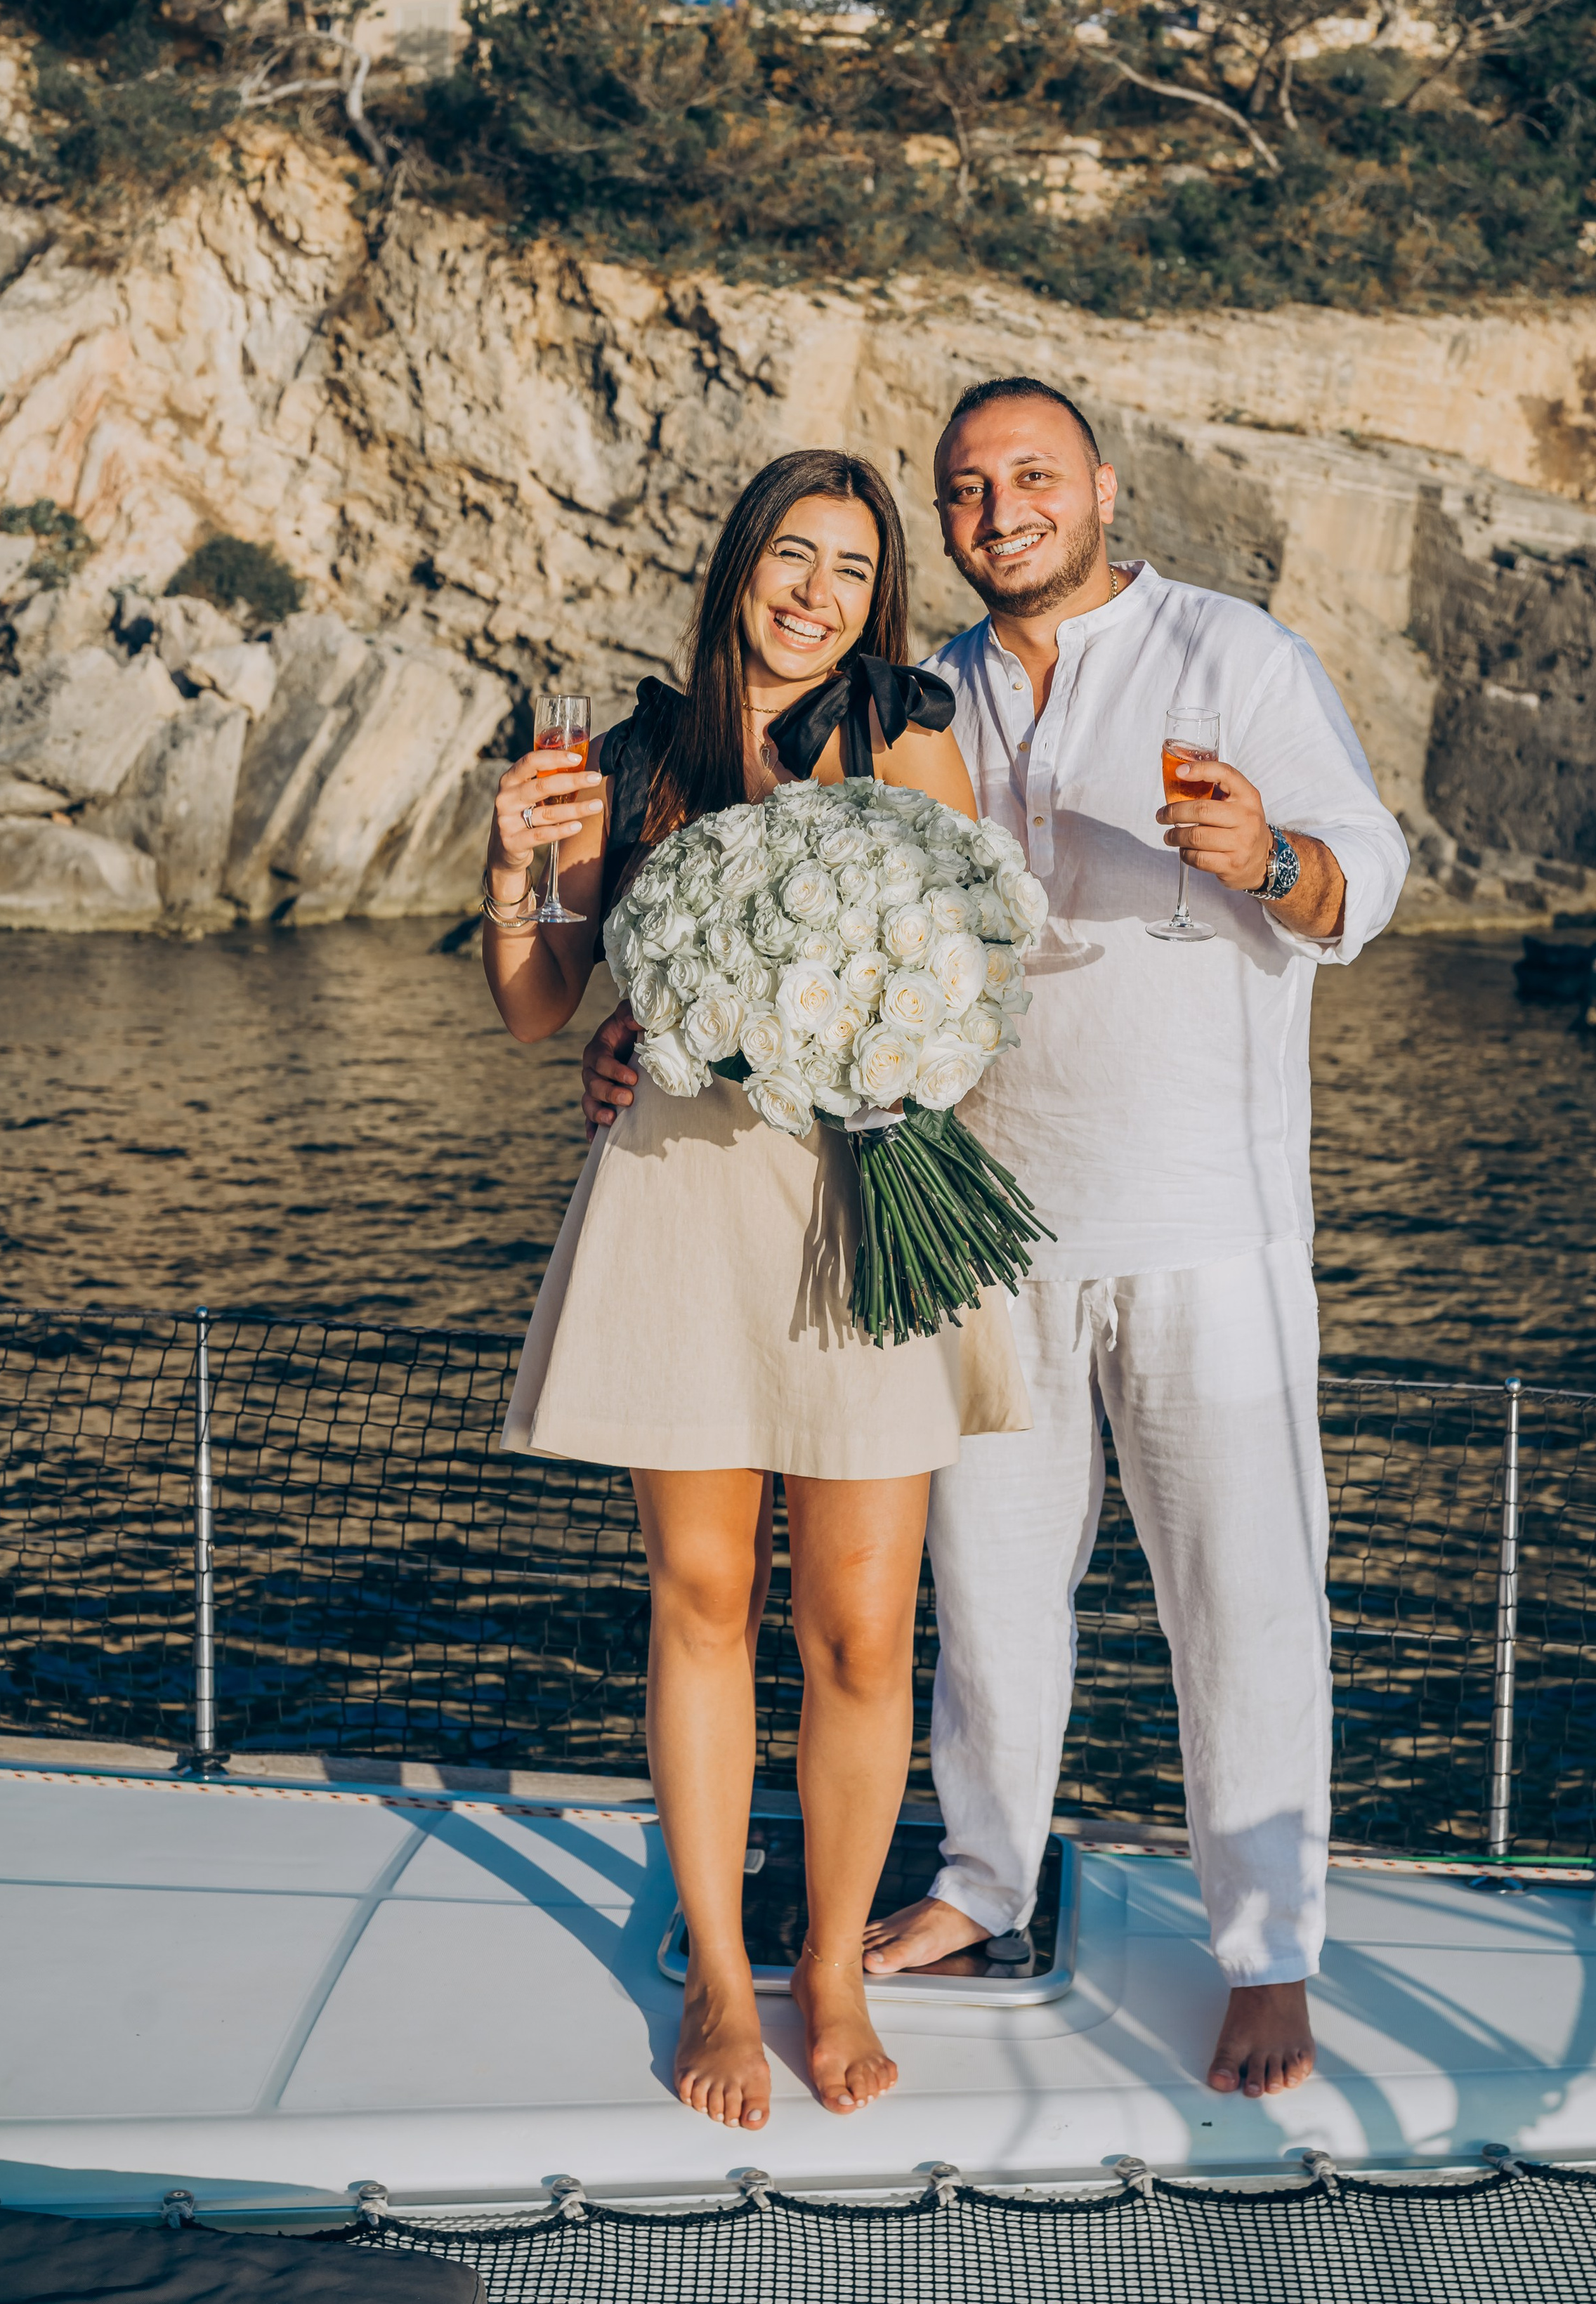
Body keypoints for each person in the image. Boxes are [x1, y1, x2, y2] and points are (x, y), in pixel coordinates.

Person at [584, 384, 1408, 2102]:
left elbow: (1371, 876)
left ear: (1102, 489)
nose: (998, 504)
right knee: (982, 1593)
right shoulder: (922, 695)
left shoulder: (1230, 653)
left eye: (1030, 475)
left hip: (1203, 1218)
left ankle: (1266, 1953)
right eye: (966, 487)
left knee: (1239, 1594)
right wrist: (663, 1016)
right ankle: (977, 1881)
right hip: (974, 1222)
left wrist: (1275, 858)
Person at [486, 449, 1030, 2137]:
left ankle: (837, 1970)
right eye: (789, 557)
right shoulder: (637, 756)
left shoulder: (905, 723)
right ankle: (723, 1973)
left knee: (860, 1627)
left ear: (880, 600)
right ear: (735, 569)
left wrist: (871, 1041)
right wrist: (519, 865)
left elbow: (973, 955)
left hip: (867, 1193)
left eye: (851, 569)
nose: (814, 592)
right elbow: (535, 1008)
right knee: (701, 1597)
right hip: (678, 1198)